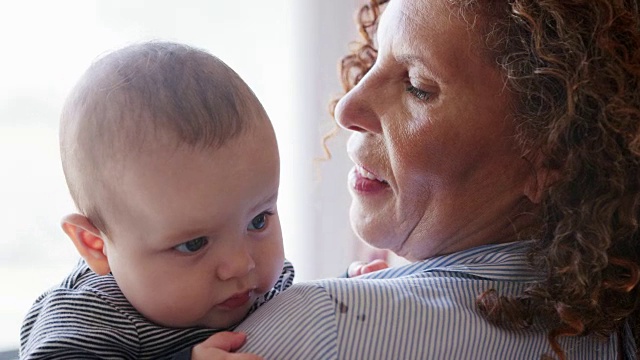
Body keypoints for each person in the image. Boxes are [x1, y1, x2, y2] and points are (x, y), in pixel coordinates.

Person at [182, 0, 636, 359]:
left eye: (417, 85)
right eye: (375, 57)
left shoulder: (319, 328)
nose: (347, 107)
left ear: (552, 153)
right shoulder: (615, 334)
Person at [19, 41, 295, 360]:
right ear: (95, 244)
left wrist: (350, 294)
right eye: (194, 244)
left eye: (258, 221)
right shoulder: (90, 315)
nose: (240, 264)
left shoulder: (257, 284)